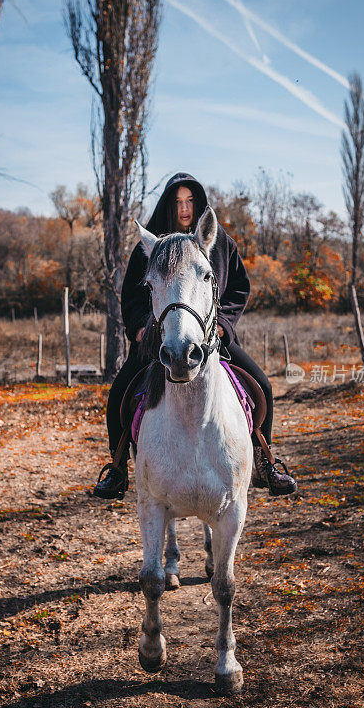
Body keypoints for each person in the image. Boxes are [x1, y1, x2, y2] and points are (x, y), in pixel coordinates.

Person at [93, 172, 297, 499]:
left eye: (190, 201)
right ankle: (117, 468)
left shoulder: (221, 243)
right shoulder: (151, 246)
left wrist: (223, 324)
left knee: (264, 387)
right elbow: (131, 296)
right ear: (168, 205)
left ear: (198, 202)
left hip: (213, 340)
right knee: (119, 392)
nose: (185, 209)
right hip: (158, 343)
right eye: (178, 202)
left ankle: (266, 461)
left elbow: (240, 288)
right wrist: (142, 327)